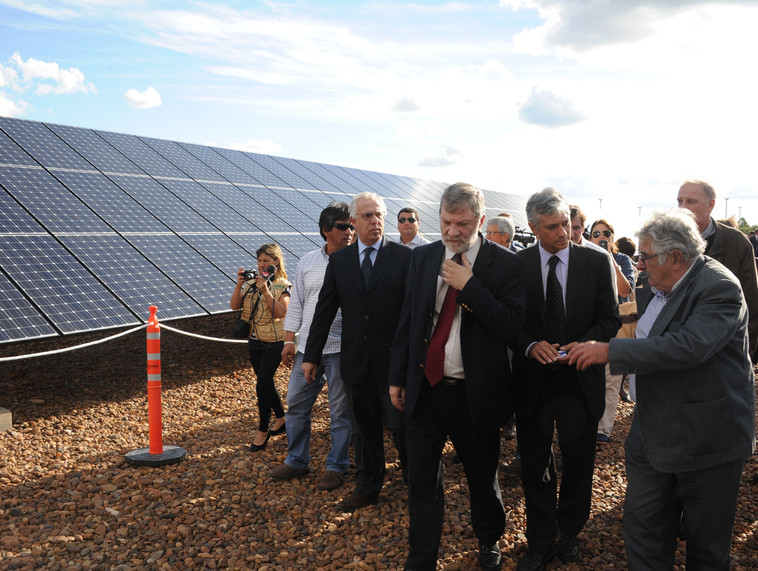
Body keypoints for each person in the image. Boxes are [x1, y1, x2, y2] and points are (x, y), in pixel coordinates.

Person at [568, 209, 755, 570]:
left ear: (676, 257)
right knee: (643, 529)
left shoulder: (719, 287)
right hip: (650, 430)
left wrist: (610, 352)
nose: (639, 264)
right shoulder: (650, 284)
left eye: (646, 256)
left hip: (707, 439)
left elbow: (688, 346)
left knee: (706, 546)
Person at [389, 182, 527, 571]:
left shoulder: (506, 265)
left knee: (481, 477)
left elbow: (512, 326)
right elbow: (409, 319)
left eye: (462, 224)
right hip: (426, 389)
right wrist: (397, 376)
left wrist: (470, 287)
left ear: (480, 221)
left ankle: (488, 538)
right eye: (446, 222)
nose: (452, 231)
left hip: (475, 394)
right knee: (421, 479)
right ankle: (422, 557)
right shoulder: (423, 257)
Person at [512, 188, 619, 571]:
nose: (563, 233)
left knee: (578, 460)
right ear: (533, 227)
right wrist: (529, 345)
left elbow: (610, 319)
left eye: (565, 225)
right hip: (534, 382)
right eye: (552, 227)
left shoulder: (595, 261)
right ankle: (540, 541)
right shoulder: (518, 265)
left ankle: (570, 531)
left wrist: (587, 344)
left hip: (579, 380)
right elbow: (509, 322)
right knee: (535, 464)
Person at [304, 191, 412, 512]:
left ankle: (416, 482)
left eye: (379, 215)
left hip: (394, 363)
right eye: (367, 216)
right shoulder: (340, 261)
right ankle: (368, 487)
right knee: (364, 429)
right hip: (356, 361)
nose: (375, 221)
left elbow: (413, 312)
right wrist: (311, 356)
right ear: (353, 221)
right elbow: (324, 310)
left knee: (402, 426)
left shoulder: (404, 257)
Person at [268, 203, 354, 491]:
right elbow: (298, 304)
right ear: (325, 230)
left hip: (341, 349)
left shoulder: (358, 261)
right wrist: (289, 339)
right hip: (307, 348)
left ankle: (337, 466)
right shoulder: (307, 261)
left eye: (351, 226)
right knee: (296, 406)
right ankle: (297, 460)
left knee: (340, 412)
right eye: (342, 226)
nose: (349, 231)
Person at [677, 179, 758, 362]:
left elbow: (751, 306)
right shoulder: (665, 242)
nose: (683, 207)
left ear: (710, 205)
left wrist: (743, 359)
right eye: (680, 201)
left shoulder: (736, 243)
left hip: (724, 355)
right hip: (679, 353)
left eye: (691, 201)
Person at [230, 243, 291, 452]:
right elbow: (234, 306)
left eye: (266, 260)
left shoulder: (283, 285)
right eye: (259, 260)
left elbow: (281, 312)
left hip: (274, 342)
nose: (262, 264)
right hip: (254, 340)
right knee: (265, 381)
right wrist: (239, 285)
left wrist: (266, 291)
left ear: (276, 262)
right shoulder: (251, 283)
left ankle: (262, 430)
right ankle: (281, 418)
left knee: (262, 383)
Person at [589, 219, 636, 443]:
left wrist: (610, 259)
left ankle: (603, 429)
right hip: (591, 324)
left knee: (612, 379)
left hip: (617, 324)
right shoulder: (584, 257)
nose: (601, 237)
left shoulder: (622, 259)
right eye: (596, 233)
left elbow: (625, 289)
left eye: (606, 233)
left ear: (612, 237)